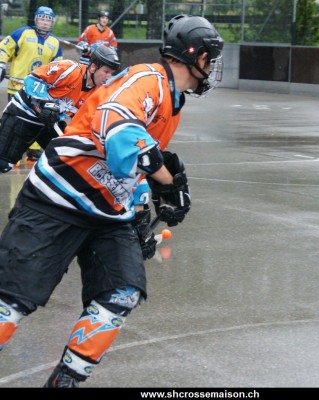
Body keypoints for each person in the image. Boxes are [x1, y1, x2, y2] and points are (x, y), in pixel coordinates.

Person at [0, 14, 224, 388]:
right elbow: (117, 128)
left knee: (121, 293)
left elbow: (133, 164)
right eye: (210, 59)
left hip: (107, 213)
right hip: (57, 198)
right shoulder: (147, 79)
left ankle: (64, 382)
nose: (212, 67)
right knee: (12, 299)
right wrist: (166, 179)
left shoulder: (172, 99)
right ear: (198, 57)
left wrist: (144, 207)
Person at [0, 45, 120, 174]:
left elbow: (84, 120)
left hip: (50, 122)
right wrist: (45, 102)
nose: (108, 77)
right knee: (3, 164)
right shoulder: (69, 69)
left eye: (111, 73)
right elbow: (32, 79)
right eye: (106, 72)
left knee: (68, 161)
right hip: (24, 114)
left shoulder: (97, 93)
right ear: (93, 67)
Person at [0, 6, 63, 162]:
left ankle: (33, 150)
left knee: (37, 119)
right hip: (17, 87)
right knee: (16, 120)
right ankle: (8, 150)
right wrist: (1, 63)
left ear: (52, 22)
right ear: (36, 19)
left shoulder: (55, 43)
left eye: (48, 20)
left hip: (39, 90)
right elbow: (4, 47)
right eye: (42, 18)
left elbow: (58, 68)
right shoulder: (23, 33)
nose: (45, 22)